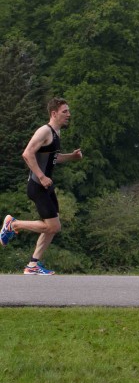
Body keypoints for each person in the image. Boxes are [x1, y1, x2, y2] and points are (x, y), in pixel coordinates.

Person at [0, 98, 84, 275]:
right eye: (64, 111)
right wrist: (41, 176)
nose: (69, 114)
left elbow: (53, 158)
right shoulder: (44, 131)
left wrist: (71, 157)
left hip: (46, 186)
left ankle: (32, 265)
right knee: (53, 227)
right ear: (54, 113)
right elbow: (27, 153)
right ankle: (13, 224)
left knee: (53, 227)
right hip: (38, 186)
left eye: (68, 111)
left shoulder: (56, 133)